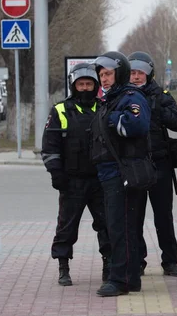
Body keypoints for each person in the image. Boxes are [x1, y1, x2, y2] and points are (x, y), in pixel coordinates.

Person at [41, 63, 111, 287]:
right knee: (67, 226)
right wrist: (56, 173)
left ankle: (109, 265)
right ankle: (63, 266)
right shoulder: (60, 110)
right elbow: (50, 147)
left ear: (95, 86)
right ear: (73, 86)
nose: (84, 88)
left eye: (88, 84)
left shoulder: (104, 107)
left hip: (101, 179)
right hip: (72, 181)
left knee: (107, 224)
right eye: (80, 84)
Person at [90, 51, 151, 297]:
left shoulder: (131, 96)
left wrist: (113, 118)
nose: (104, 79)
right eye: (101, 75)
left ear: (120, 73)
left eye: (108, 74)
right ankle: (131, 278)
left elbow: (137, 125)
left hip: (122, 173)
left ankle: (120, 279)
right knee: (121, 226)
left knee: (121, 227)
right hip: (109, 174)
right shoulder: (110, 100)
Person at [128, 51, 177, 278]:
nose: (136, 77)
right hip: (134, 165)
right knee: (134, 217)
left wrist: (157, 107)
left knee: (163, 216)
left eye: (140, 72)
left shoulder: (161, 95)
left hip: (160, 163)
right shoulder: (122, 95)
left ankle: (170, 261)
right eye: (132, 72)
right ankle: (137, 260)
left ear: (149, 73)